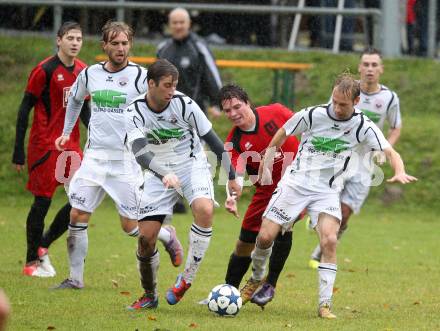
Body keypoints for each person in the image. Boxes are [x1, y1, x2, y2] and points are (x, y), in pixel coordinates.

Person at [250, 73, 416, 318]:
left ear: (356, 102)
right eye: (335, 101)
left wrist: (400, 170)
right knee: (265, 237)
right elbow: (284, 132)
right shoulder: (313, 114)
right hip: (295, 184)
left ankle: (324, 305)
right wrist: (267, 157)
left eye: (343, 104)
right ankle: (255, 278)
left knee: (329, 240)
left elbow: (389, 151)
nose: (337, 108)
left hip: (327, 191)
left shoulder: (363, 126)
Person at [53, 21, 183, 289]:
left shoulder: (140, 77)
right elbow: (76, 99)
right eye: (115, 43)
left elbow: (163, 99)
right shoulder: (90, 74)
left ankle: (167, 236)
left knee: (130, 226)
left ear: (130, 45)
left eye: (125, 43)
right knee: (77, 215)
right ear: (105, 46)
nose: (121, 48)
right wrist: (67, 131)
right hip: (94, 158)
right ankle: (75, 279)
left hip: (125, 161)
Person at [124, 59, 241, 310]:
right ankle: (149, 295)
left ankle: (186, 280)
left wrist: (231, 176)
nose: (171, 91)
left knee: (205, 209)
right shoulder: (134, 110)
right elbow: (139, 152)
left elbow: (213, 140)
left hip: (192, 166)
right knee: (145, 240)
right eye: (166, 85)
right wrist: (163, 172)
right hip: (157, 172)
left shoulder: (184, 104)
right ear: (151, 83)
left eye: (174, 85)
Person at [309, 48, 402, 268]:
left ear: (381, 69)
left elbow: (396, 127)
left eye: (374, 65)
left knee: (345, 212)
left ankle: (321, 250)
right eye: (366, 64)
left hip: (365, 164)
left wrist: (383, 149)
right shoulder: (346, 92)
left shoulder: (389, 98)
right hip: (340, 158)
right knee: (327, 204)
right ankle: (321, 240)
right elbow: (327, 116)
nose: (370, 69)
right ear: (360, 67)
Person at [12, 21, 89, 278]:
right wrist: (18, 151)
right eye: (70, 38)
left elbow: (86, 111)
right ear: (59, 40)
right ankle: (30, 261)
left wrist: (101, 140)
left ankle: (43, 244)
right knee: (42, 203)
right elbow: (24, 110)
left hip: (71, 148)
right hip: (45, 145)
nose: (75, 42)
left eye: (78, 38)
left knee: (80, 200)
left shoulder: (83, 71)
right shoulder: (44, 70)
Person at [217, 84, 300, 306]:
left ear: (248, 103)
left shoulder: (275, 112)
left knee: (282, 228)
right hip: (265, 191)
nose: (233, 114)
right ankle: (228, 292)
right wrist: (232, 196)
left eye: (237, 106)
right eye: (227, 110)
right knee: (244, 242)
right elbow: (235, 175)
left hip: (295, 185)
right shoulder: (233, 142)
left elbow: (304, 126)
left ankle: (268, 284)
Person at [157, 7, 223, 214]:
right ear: (169, 24)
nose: (178, 26)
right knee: (168, 154)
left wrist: (217, 102)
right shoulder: (163, 48)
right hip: (166, 112)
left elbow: (211, 74)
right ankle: (175, 199)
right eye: (174, 23)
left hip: (194, 111)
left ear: (189, 24)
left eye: (181, 23)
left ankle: (202, 194)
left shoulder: (199, 47)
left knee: (196, 156)